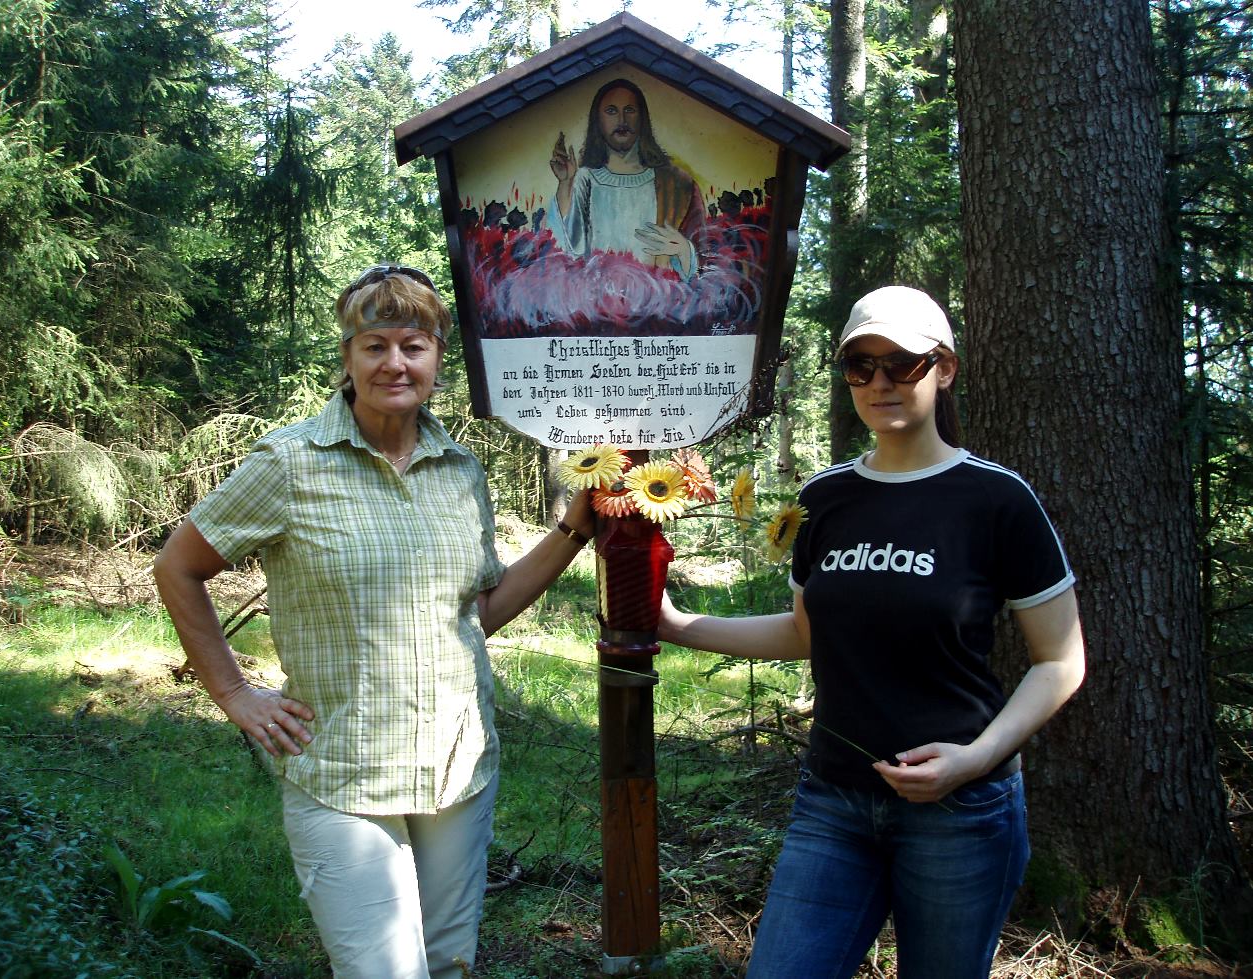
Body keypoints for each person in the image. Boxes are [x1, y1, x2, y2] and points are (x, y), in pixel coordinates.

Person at [153, 264, 596, 979]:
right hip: (341, 772)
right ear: (348, 358)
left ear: (437, 360)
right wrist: (235, 693)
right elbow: (178, 566)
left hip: (458, 767)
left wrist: (574, 528)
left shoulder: (460, 469)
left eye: (413, 345)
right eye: (376, 345)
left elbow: (479, 611)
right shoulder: (291, 462)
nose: (395, 362)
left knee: (449, 964)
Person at [659, 285, 1086, 979]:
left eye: (903, 364)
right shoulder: (824, 500)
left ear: (943, 368)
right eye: (861, 366)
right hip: (834, 800)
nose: (880, 382)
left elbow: (1061, 660)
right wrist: (680, 626)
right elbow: (805, 632)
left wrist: (976, 758)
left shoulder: (997, 499)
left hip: (961, 811)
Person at [547, 78, 706, 279]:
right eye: (611, 111)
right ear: (598, 120)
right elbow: (566, 252)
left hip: (658, 303)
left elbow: (705, 263)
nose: (622, 119)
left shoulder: (676, 184)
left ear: (642, 118)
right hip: (598, 302)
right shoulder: (586, 179)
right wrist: (565, 184)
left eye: (630, 110)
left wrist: (684, 250)